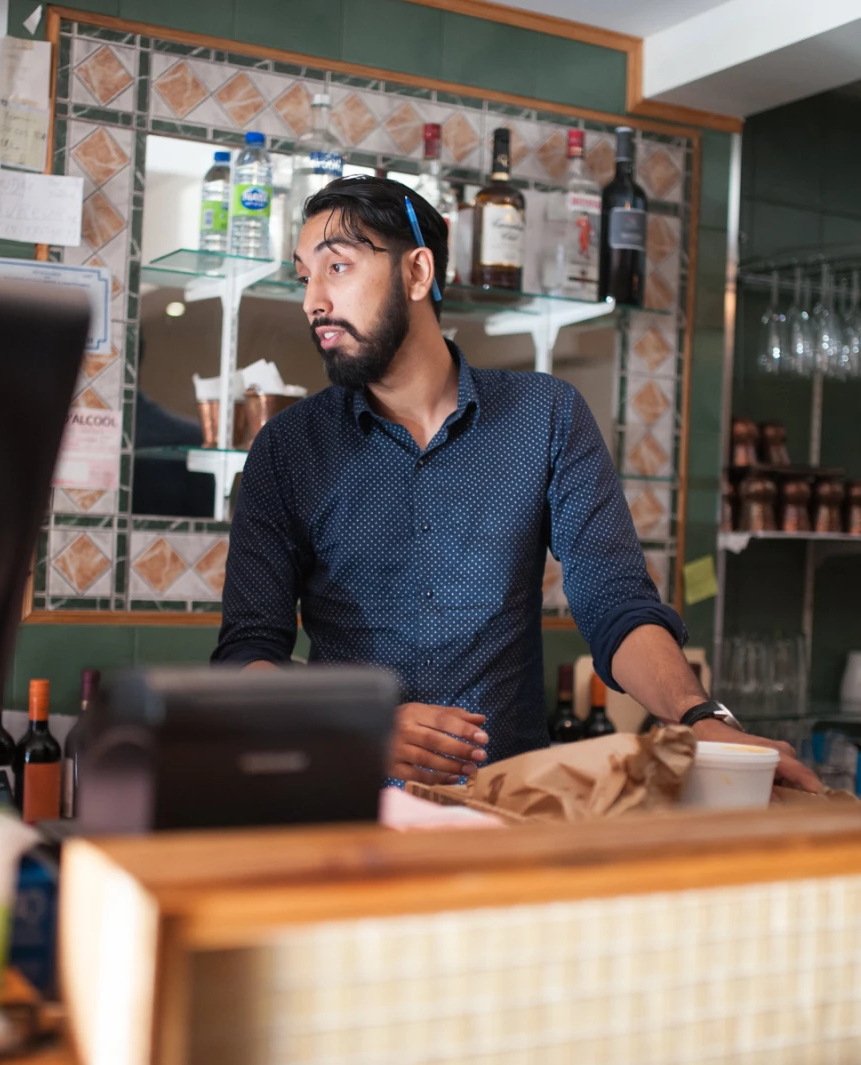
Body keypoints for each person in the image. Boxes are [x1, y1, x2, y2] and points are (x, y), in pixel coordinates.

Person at [211, 175, 820, 792]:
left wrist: (696, 716)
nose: (312, 299)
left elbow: (615, 602)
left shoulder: (546, 417)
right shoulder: (286, 450)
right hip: (347, 807)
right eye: (303, 276)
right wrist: (356, 724)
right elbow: (245, 652)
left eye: (336, 267)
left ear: (417, 273)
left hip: (513, 809)